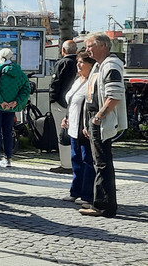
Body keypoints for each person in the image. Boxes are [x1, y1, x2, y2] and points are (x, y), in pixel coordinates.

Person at [80, 33, 127, 218]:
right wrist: (88, 122)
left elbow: (114, 95)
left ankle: (104, 206)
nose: (87, 50)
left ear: (102, 46)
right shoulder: (99, 66)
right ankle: (101, 202)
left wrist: (98, 118)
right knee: (100, 162)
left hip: (101, 120)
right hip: (95, 120)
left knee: (102, 163)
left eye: (90, 46)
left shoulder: (110, 65)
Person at [0, 48, 31, 168]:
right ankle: (8, 158)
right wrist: (16, 102)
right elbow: (26, 89)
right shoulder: (19, 72)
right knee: (8, 131)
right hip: (11, 107)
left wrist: (0, 102)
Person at [61, 51, 96, 207]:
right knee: (76, 160)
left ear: (90, 64)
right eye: (78, 62)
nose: (78, 65)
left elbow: (92, 105)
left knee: (87, 160)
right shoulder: (78, 80)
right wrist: (67, 116)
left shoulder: (92, 82)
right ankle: (75, 191)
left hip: (84, 128)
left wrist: (89, 125)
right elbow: (72, 100)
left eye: (82, 62)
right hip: (73, 126)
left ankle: (87, 194)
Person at [49, 39, 79, 173]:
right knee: (74, 132)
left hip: (60, 103)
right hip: (75, 103)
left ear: (63, 50)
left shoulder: (62, 63)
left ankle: (66, 164)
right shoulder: (79, 62)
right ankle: (76, 161)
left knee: (62, 133)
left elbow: (55, 82)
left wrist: (52, 98)